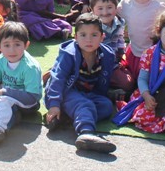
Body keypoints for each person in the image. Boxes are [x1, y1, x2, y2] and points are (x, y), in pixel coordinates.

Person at [44, 13, 118, 154]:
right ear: (76, 37)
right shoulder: (69, 54)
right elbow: (57, 78)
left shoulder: (106, 55)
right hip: (65, 92)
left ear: (102, 37)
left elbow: (103, 80)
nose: (88, 39)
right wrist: (54, 104)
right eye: (83, 35)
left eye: (94, 35)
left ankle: (67, 117)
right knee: (85, 105)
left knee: (106, 106)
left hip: (87, 93)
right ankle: (86, 133)